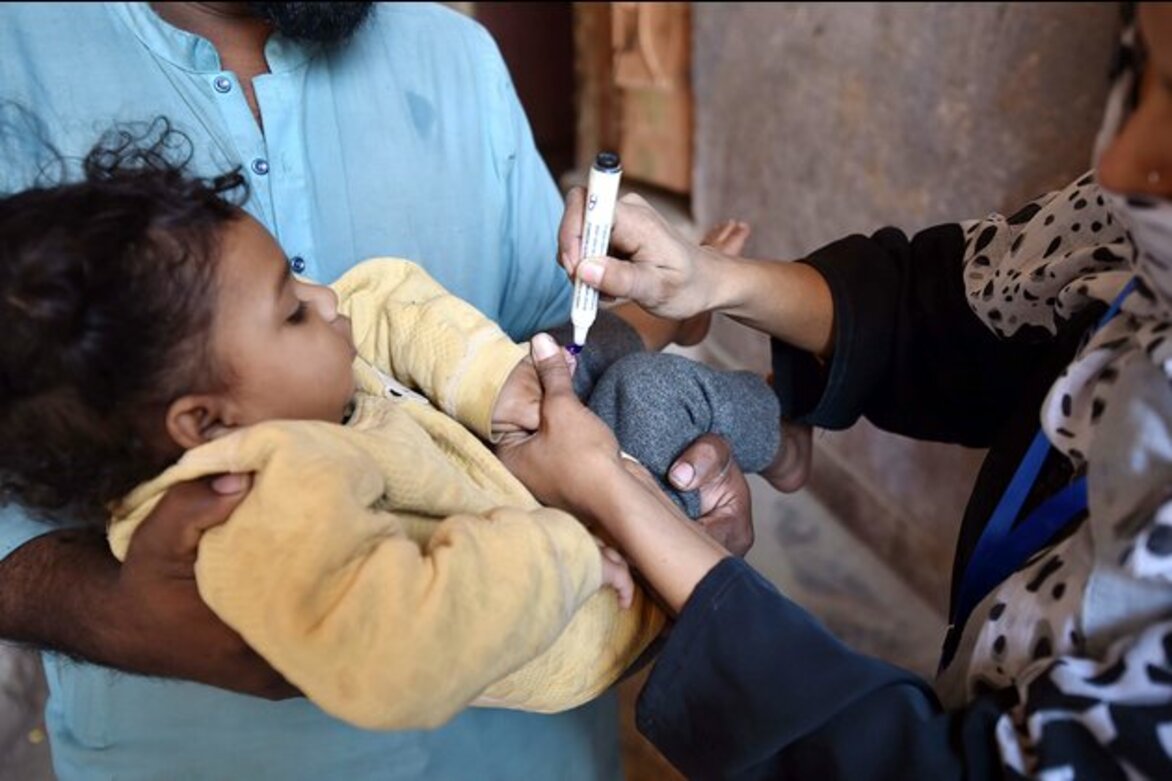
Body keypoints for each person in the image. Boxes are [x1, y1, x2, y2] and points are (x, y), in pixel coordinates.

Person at [0, 3, 755, 779]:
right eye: (292, 309)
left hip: (535, 753)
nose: (327, 303)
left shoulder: (453, 54)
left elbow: (543, 352)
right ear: (200, 421)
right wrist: (113, 612)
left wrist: (663, 320)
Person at [499, 2, 1172, 777]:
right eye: (1140, 73)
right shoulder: (1122, 238)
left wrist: (616, 494)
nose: (1121, 163)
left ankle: (767, 428)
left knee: (649, 403)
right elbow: (945, 312)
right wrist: (707, 282)